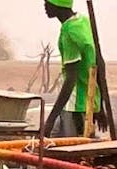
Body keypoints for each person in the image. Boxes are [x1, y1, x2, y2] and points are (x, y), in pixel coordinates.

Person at [42, 0, 106, 138]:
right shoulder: (83, 22)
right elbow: (99, 64)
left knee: (67, 148)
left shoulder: (69, 32)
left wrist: (50, 119)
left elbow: (71, 78)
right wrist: (100, 104)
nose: (44, 6)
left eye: (47, 2)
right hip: (89, 102)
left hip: (74, 106)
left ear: (58, 4)